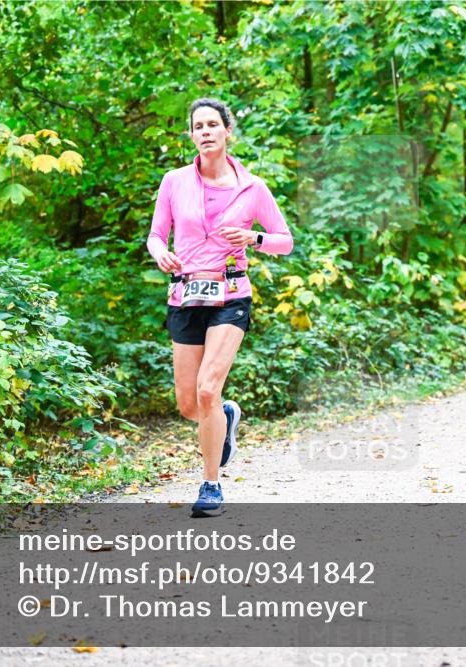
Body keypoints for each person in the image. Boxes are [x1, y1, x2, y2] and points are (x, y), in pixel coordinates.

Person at [147, 97, 293, 517]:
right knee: (190, 404)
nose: (206, 131)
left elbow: (284, 239)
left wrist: (253, 239)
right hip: (185, 295)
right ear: (191, 135)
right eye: (198, 126)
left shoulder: (253, 188)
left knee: (209, 389)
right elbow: (157, 236)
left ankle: (211, 485)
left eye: (213, 124)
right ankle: (227, 417)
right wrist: (161, 254)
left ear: (228, 131)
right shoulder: (174, 182)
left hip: (231, 296)